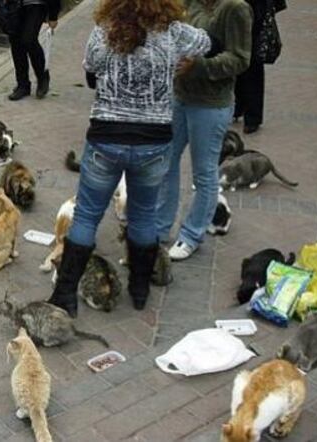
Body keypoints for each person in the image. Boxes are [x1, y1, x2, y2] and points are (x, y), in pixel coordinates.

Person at [47, 0, 211, 316]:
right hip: (154, 140)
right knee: (144, 214)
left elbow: (92, 73)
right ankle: (139, 289)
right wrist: (182, 62)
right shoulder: (174, 33)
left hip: (106, 137)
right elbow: (209, 42)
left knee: (86, 215)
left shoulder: (103, 30)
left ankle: (65, 293)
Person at [155, 0, 252, 261]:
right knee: (166, 160)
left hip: (210, 105)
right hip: (180, 96)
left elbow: (241, 58)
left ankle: (191, 234)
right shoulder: (189, 2)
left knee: (204, 171)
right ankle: (161, 226)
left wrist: (199, 66)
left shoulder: (235, 7)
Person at [0, 0, 60, 101]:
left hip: (36, 4)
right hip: (14, 4)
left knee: (29, 39)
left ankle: (42, 77)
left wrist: (53, 15)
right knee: (15, 41)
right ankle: (22, 85)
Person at [234, 0, 286, 134]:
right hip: (239, 10)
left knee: (252, 63)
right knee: (237, 56)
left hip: (255, 10)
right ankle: (238, 106)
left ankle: (252, 116)